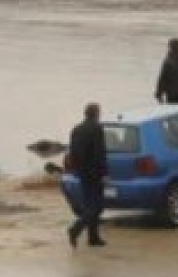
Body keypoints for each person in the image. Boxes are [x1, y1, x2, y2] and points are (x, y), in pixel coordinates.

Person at [66, 102, 109, 248]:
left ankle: (93, 238)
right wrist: (104, 172)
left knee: (89, 205)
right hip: (94, 172)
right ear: (96, 113)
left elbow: (72, 152)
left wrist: (76, 169)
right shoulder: (97, 129)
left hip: (82, 172)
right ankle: (75, 229)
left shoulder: (76, 129)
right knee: (96, 207)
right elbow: (99, 152)